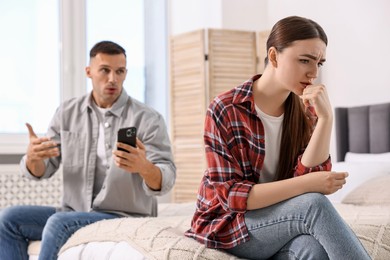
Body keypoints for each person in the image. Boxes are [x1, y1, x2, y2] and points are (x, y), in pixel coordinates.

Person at [185, 16, 370, 259]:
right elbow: (232, 196)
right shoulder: (225, 108)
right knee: (313, 205)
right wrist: (309, 186)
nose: (314, 72)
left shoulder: (306, 109)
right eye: (305, 60)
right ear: (273, 57)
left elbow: (310, 176)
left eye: (319, 63)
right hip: (228, 224)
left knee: (313, 249)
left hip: (276, 221)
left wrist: (326, 119)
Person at [0, 40, 176, 260]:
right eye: (105, 70)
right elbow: (43, 169)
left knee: (58, 223)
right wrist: (33, 158)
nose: (113, 79)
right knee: (8, 219)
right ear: (89, 72)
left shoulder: (148, 119)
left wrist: (144, 167)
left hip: (123, 215)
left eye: (119, 71)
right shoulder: (67, 112)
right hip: (74, 213)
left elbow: (166, 176)